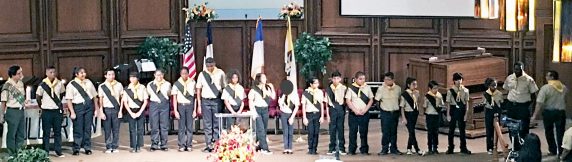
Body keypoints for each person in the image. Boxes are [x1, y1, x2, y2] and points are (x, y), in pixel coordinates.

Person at [531, 70, 568, 156]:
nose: (546, 77)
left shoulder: (545, 88)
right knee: (561, 133)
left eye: (547, 76)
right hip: (561, 112)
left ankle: (553, 150)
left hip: (549, 112)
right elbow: (565, 100)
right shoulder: (564, 87)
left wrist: (534, 116)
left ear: (552, 77)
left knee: (549, 131)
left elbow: (539, 103)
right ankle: (561, 152)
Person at [504, 61, 538, 150]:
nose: (517, 71)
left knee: (523, 128)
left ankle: (524, 147)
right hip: (511, 106)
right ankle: (515, 147)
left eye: (519, 69)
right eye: (515, 69)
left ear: (522, 68)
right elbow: (507, 89)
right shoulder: (510, 78)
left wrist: (531, 109)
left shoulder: (529, 80)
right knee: (511, 127)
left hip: (523, 107)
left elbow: (533, 96)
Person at [65, 67, 99, 156]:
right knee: (78, 129)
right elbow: (69, 100)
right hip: (78, 107)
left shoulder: (89, 82)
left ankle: (87, 147)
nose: (83, 74)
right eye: (81, 73)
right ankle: (76, 148)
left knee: (87, 128)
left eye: (84, 72)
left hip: (88, 106)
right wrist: (72, 112)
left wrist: (96, 108)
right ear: (76, 74)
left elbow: (95, 96)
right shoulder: (71, 84)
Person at [196, 57, 226, 153]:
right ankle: (209, 145)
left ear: (214, 64)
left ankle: (217, 144)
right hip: (206, 101)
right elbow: (198, 89)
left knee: (217, 123)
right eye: (208, 66)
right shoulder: (202, 74)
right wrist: (199, 105)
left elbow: (224, 87)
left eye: (211, 66)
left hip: (217, 100)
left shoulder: (220, 73)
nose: (209, 68)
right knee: (207, 124)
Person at [36, 66, 66, 157]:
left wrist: (57, 103)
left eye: (54, 72)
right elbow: (38, 97)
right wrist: (42, 106)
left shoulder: (59, 83)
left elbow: (61, 94)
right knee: (46, 132)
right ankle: (46, 151)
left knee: (57, 132)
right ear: (46, 73)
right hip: (46, 111)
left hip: (56, 111)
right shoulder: (42, 84)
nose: (53, 74)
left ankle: (58, 150)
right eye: (50, 72)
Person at [0, 65, 28, 156]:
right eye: (19, 73)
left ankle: (19, 152)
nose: (21, 75)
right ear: (12, 75)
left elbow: (22, 97)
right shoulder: (7, 86)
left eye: (21, 72)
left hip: (20, 110)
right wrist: (1, 115)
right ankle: (11, 153)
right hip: (12, 111)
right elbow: (3, 102)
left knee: (21, 133)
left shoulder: (21, 83)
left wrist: (24, 101)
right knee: (12, 134)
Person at [345, 71, 374, 156]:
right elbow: (348, 100)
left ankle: (364, 149)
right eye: (360, 79)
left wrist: (365, 110)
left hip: (364, 113)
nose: (362, 80)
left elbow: (371, 100)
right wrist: (355, 110)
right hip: (353, 114)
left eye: (364, 79)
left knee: (364, 132)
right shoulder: (351, 88)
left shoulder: (367, 88)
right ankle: (352, 150)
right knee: (352, 132)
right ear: (356, 79)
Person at [376, 72, 403, 155]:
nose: (386, 81)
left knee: (394, 131)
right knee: (385, 131)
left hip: (394, 112)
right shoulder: (381, 89)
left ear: (393, 80)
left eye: (388, 79)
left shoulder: (398, 88)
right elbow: (377, 101)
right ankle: (384, 148)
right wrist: (381, 110)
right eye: (385, 79)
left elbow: (399, 99)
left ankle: (394, 148)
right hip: (385, 113)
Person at [248, 73, 275, 155]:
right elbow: (250, 101)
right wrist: (253, 112)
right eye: (263, 77)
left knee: (264, 129)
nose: (265, 79)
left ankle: (259, 145)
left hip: (265, 110)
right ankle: (265, 148)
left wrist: (271, 88)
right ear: (259, 79)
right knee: (261, 129)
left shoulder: (267, 88)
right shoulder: (254, 89)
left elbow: (273, 97)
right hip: (257, 110)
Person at [98, 69, 123, 153]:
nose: (111, 76)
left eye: (113, 74)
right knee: (107, 129)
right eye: (109, 74)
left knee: (116, 129)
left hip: (116, 108)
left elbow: (122, 98)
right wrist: (101, 112)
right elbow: (100, 99)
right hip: (107, 109)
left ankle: (115, 146)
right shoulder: (102, 86)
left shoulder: (119, 85)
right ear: (105, 76)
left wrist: (121, 110)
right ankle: (108, 146)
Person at [172, 67, 197, 152]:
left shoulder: (193, 83)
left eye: (186, 73)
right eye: (182, 73)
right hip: (181, 106)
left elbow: (195, 98)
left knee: (189, 126)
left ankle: (189, 145)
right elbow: (174, 98)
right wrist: (175, 110)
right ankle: (181, 145)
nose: (184, 75)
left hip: (190, 106)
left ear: (188, 73)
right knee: (181, 127)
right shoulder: (176, 84)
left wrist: (195, 110)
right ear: (180, 74)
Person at [445, 72, 471, 154]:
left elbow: (467, 103)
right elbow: (448, 103)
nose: (459, 81)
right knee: (451, 130)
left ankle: (463, 147)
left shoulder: (466, 90)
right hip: (453, 109)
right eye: (457, 80)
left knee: (462, 130)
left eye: (460, 79)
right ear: (454, 81)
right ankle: (450, 147)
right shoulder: (450, 91)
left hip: (462, 110)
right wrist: (448, 114)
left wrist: (466, 114)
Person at [121, 72, 148, 153]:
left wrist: (140, 112)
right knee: (132, 129)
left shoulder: (142, 87)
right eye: (131, 77)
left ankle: (139, 145)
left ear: (138, 78)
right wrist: (131, 113)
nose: (132, 79)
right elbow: (125, 102)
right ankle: (133, 146)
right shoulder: (127, 89)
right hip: (131, 110)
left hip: (140, 109)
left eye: (134, 77)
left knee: (140, 129)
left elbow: (145, 101)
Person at [146, 69, 171, 151]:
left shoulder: (167, 84)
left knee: (164, 125)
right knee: (154, 125)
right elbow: (149, 95)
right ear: (154, 75)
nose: (159, 77)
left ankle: (164, 144)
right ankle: (154, 143)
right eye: (157, 75)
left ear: (163, 75)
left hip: (164, 105)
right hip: (154, 105)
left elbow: (169, 94)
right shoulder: (150, 85)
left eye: (160, 75)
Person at [302, 77, 326, 155]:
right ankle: (310, 148)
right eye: (315, 83)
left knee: (316, 132)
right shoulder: (306, 93)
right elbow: (303, 105)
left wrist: (322, 116)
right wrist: (304, 117)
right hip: (309, 114)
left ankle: (315, 149)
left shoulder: (320, 92)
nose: (317, 84)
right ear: (311, 84)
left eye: (317, 83)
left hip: (317, 114)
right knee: (310, 132)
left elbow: (322, 104)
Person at [326, 71, 348, 155]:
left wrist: (344, 110)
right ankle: (332, 147)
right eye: (334, 78)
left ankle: (342, 148)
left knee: (340, 128)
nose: (336, 80)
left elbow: (346, 100)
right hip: (332, 109)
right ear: (332, 79)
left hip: (340, 109)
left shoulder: (344, 88)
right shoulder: (328, 89)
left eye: (337, 78)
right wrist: (327, 114)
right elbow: (327, 103)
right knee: (332, 129)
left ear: (340, 79)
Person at [400, 77, 423, 155]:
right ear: (408, 85)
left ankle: (409, 149)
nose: (415, 85)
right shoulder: (404, 94)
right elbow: (402, 107)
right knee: (412, 131)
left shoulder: (417, 92)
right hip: (408, 113)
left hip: (414, 113)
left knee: (411, 131)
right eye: (413, 84)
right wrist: (403, 117)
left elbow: (418, 102)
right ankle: (417, 149)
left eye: (416, 84)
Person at [483, 77, 503, 155]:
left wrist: (498, 114)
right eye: (492, 85)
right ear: (488, 86)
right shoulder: (485, 94)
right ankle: (489, 148)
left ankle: (496, 147)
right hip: (489, 112)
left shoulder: (499, 93)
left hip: (497, 112)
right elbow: (484, 105)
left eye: (496, 85)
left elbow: (500, 105)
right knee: (489, 131)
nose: (494, 87)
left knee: (498, 131)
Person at [424, 80, 444, 155]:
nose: (436, 90)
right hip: (429, 115)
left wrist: (440, 107)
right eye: (434, 88)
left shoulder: (439, 95)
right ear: (430, 88)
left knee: (436, 132)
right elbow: (425, 107)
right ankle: (429, 148)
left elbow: (442, 105)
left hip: (436, 115)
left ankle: (435, 147)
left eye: (437, 88)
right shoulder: (427, 96)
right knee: (430, 132)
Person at [278, 85, 299, 154]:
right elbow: (280, 105)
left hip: (291, 114)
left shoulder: (294, 95)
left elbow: (296, 107)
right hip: (284, 114)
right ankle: (285, 147)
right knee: (285, 131)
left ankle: (290, 148)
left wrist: (292, 117)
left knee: (290, 132)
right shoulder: (282, 95)